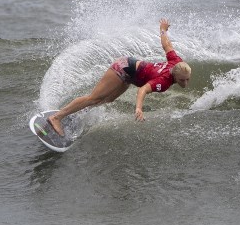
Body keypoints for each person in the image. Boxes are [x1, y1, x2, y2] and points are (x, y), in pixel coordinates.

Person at [48, 18, 191, 136]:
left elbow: (167, 44)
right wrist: (139, 108)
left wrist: (163, 29)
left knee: (109, 99)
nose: (185, 83)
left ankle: (78, 112)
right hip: (124, 68)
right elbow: (143, 90)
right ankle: (56, 117)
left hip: (131, 75)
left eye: (187, 79)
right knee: (94, 98)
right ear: (174, 74)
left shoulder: (177, 61)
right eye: (182, 80)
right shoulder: (163, 82)